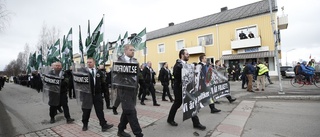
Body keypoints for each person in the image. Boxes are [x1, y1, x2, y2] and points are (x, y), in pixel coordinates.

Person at [167, 49, 206, 130]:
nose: (188, 55)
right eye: (187, 54)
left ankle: (196, 123)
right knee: (177, 103)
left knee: (191, 103)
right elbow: (176, 76)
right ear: (182, 55)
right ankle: (170, 119)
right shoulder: (178, 65)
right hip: (179, 88)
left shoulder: (186, 65)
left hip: (188, 88)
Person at [116, 44, 143, 137]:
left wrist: (142, 85)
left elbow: (138, 75)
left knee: (127, 111)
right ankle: (138, 134)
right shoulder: (119, 61)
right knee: (131, 111)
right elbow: (116, 76)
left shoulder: (135, 61)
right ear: (125, 51)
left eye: (133, 50)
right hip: (124, 90)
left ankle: (120, 130)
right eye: (131, 50)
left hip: (133, 90)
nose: (133, 51)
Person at [81, 58, 113, 132]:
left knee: (100, 110)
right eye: (88, 62)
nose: (89, 63)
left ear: (94, 62)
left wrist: (105, 93)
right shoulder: (84, 72)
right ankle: (85, 124)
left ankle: (103, 125)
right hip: (87, 95)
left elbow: (103, 83)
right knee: (86, 111)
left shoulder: (99, 72)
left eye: (90, 62)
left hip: (97, 95)